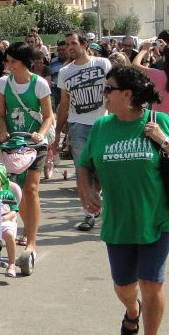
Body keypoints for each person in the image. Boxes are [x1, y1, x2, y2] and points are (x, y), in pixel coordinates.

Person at [76, 65, 169, 335]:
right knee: (124, 286)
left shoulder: (159, 121)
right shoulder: (102, 127)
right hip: (118, 220)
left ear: (127, 95)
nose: (104, 95)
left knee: (151, 283)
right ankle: (132, 310)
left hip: (156, 218)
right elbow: (84, 164)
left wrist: (163, 140)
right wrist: (86, 191)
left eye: (108, 90)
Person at [0, 41, 54, 262]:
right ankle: (13, 229)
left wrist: (41, 133)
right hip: (12, 144)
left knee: (31, 189)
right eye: (7, 61)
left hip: (35, 143)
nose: (9, 66)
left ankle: (31, 240)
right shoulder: (3, 83)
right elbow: (1, 114)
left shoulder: (39, 84)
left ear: (25, 62)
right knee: (13, 190)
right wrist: (2, 132)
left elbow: (48, 116)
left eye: (13, 62)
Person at [56, 31, 111, 232]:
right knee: (83, 173)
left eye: (73, 43)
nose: (70, 47)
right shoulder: (65, 72)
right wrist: (57, 135)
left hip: (103, 124)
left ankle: (99, 202)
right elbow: (64, 104)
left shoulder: (102, 64)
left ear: (84, 44)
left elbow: (114, 91)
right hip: (77, 125)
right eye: (67, 44)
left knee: (103, 172)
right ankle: (88, 213)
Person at [132, 41, 169, 138]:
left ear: (165, 58)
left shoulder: (157, 75)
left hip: (158, 127)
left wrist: (144, 50)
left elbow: (135, 65)